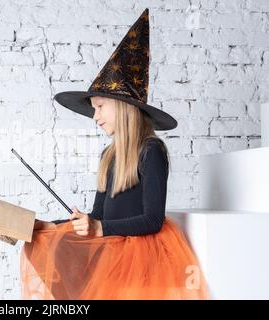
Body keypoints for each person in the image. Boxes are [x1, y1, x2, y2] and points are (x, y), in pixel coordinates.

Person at [20, 8, 210, 300]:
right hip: (111, 249)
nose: (95, 116)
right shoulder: (108, 156)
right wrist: (52, 225)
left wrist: (100, 228)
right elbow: (98, 215)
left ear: (122, 106)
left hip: (139, 255)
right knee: (51, 246)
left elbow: (152, 220)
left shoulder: (151, 151)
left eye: (99, 107)